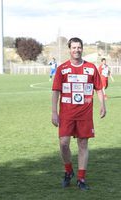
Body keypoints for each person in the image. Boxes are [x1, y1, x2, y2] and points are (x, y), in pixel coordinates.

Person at [51, 37, 106, 190]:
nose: (77, 50)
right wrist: (54, 112)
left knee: (83, 144)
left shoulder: (91, 68)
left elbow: (98, 88)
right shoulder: (62, 69)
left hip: (85, 113)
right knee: (63, 144)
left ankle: (81, 179)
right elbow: (55, 91)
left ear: (82, 49)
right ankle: (68, 172)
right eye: (74, 47)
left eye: (79, 47)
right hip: (67, 113)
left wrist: (103, 104)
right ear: (69, 49)